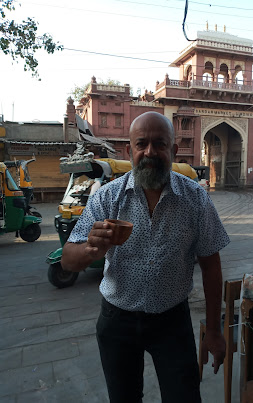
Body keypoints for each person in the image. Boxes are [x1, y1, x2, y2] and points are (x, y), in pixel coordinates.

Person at [61, 111, 230, 403]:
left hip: (172, 321)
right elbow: (67, 260)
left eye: (159, 144)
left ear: (173, 151)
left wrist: (214, 331)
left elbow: (211, 267)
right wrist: (90, 248)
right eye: (142, 144)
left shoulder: (196, 199)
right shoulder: (107, 197)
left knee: (185, 397)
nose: (150, 152)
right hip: (117, 321)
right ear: (130, 150)